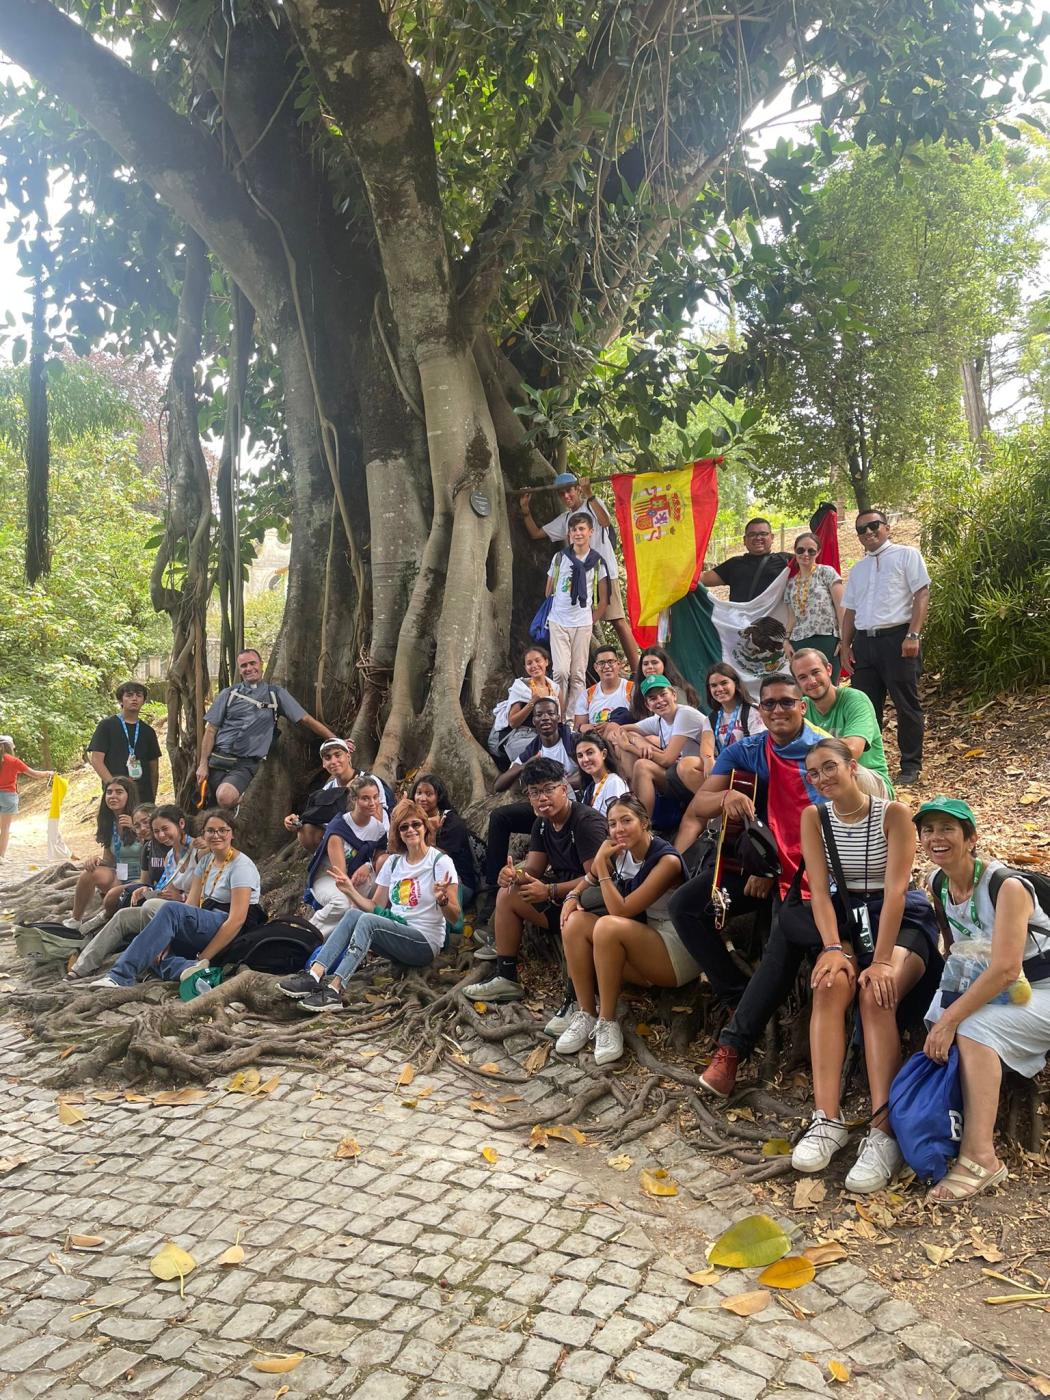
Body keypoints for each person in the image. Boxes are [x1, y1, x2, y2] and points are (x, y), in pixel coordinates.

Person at [778, 739, 939, 1192]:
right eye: (813, 773)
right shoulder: (815, 818)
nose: (823, 778)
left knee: (876, 994)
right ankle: (827, 1118)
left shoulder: (895, 814)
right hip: (850, 920)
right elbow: (818, 891)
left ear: (852, 767)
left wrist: (883, 960)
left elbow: (894, 892)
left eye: (830, 767)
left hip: (901, 922)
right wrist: (831, 947)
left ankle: (883, 1129)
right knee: (829, 986)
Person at [669, 674, 829, 1097]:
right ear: (759, 711)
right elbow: (700, 803)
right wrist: (725, 800)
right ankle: (734, 993)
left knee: (782, 944)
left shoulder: (821, 752)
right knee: (685, 906)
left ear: (803, 706)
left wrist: (772, 869)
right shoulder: (747, 751)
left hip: (805, 873)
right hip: (753, 862)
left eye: (787, 703)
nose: (778, 710)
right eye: (770, 704)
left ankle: (738, 1047)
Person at [917, 797, 1050, 1204]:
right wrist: (942, 1015)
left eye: (948, 829)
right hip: (1004, 993)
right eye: (928, 830)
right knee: (933, 1021)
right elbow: (959, 952)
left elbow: (1007, 968)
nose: (936, 838)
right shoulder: (939, 883)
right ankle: (926, 1129)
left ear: (971, 838)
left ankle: (981, 1158)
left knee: (971, 1029)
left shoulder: (1005, 886)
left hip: (1040, 990)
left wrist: (952, 1018)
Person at [464, 758, 607, 1035]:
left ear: (564, 789)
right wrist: (513, 875)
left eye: (548, 789)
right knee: (508, 894)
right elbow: (534, 868)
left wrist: (550, 891)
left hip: (589, 905)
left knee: (573, 913)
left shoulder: (585, 823)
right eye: (534, 792)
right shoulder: (542, 824)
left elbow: (597, 879)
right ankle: (506, 978)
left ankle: (575, 999)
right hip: (559, 897)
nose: (541, 798)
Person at [277, 799, 459, 1012]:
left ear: (425, 826)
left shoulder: (439, 862)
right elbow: (374, 906)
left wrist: (442, 899)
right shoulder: (393, 862)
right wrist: (350, 890)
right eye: (404, 827)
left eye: (416, 824)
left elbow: (455, 918)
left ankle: (335, 989)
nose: (411, 830)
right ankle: (314, 975)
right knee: (355, 915)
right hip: (396, 933)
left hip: (424, 943)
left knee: (367, 921)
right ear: (397, 832)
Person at [557, 796, 693, 1065]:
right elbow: (589, 880)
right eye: (612, 824)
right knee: (574, 923)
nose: (618, 829)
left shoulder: (667, 860)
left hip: (676, 949)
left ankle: (609, 1022)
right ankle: (586, 1013)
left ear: (644, 823)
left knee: (608, 925)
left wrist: (601, 865)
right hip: (645, 939)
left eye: (626, 821)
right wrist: (573, 896)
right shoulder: (623, 853)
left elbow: (621, 911)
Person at [94, 809, 264, 988]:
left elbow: (236, 921)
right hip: (205, 920)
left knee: (169, 910)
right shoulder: (207, 861)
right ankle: (188, 968)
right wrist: (167, 939)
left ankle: (120, 976)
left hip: (227, 924)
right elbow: (191, 906)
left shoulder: (241, 866)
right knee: (155, 952)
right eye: (210, 831)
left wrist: (203, 957)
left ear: (233, 834)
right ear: (203, 834)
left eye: (223, 830)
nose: (216, 835)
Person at [840, 511, 930, 785]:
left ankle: (910, 765)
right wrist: (845, 645)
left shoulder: (906, 555)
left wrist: (913, 633)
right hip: (864, 643)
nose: (868, 532)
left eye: (873, 525)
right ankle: (870, 766)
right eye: (861, 529)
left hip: (898, 639)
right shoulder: (858, 569)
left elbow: (922, 593)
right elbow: (851, 610)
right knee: (865, 708)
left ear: (886, 527)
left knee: (906, 704)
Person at [67, 805, 201, 981]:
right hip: (164, 909)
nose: (161, 835)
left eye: (165, 829)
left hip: (191, 913)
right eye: (157, 831)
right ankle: (80, 968)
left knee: (150, 906)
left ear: (181, 824)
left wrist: (181, 898)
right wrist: (149, 890)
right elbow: (168, 887)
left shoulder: (200, 849)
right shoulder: (169, 856)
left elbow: (208, 889)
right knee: (123, 916)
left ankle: (123, 973)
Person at [520, 471, 640, 667]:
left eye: (570, 491)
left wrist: (590, 493)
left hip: (604, 573)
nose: (567, 496)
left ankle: (638, 670)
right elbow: (536, 533)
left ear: (577, 489)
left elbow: (605, 522)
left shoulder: (592, 505)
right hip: (579, 581)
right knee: (577, 626)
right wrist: (525, 510)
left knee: (617, 620)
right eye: (561, 494)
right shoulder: (566, 520)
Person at [196, 648, 335, 808]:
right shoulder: (229, 694)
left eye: (252, 663)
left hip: (245, 763)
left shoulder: (275, 695)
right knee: (206, 805)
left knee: (224, 797)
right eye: (243, 666)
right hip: (218, 760)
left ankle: (242, 802)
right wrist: (202, 763)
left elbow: (306, 719)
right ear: (239, 670)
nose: (249, 668)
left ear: (261, 664)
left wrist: (336, 739)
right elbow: (211, 730)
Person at [789, 649, 893, 797]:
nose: (811, 681)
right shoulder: (801, 708)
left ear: (829, 669)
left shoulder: (854, 700)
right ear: (797, 683)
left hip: (869, 782)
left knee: (842, 770)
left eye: (815, 672)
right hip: (824, 781)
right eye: (803, 677)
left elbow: (852, 750)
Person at [303, 776, 389, 936]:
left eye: (375, 797)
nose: (372, 803)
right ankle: (309, 933)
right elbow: (340, 874)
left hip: (359, 875)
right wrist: (353, 896)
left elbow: (378, 859)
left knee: (374, 901)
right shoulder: (339, 828)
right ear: (355, 799)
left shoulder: (378, 829)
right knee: (343, 904)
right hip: (329, 876)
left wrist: (368, 866)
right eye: (365, 798)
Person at [544, 513, 610, 720]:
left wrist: (591, 619)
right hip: (559, 621)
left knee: (578, 675)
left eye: (582, 529)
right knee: (561, 672)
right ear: (569, 534)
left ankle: (572, 719)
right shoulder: (560, 558)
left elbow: (604, 597)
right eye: (574, 530)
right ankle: (559, 715)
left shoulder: (597, 562)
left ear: (591, 532)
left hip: (582, 623)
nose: (578, 533)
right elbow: (548, 590)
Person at [614, 675, 712, 812]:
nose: (659, 700)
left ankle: (642, 821)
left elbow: (667, 760)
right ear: (648, 705)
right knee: (635, 758)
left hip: (702, 775)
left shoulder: (685, 714)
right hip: (677, 776)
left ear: (674, 695)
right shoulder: (659, 720)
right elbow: (621, 730)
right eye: (653, 698)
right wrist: (639, 741)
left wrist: (629, 746)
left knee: (642, 765)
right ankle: (638, 814)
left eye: (663, 694)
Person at [86, 681, 161, 843]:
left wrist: (152, 798)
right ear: (121, 700)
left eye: (138, 695)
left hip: (143, 794)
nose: (134, 699)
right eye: (129, 695)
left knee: (144, 839)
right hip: (117, 795)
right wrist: (114, 786)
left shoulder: (148, 731)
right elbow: (96, 760)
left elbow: (153, 768)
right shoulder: (107, 726)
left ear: (143, 701)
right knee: (116, 837)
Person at [64, 777, 143, 929]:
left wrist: (136, 828)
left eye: (119, 792)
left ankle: (106, 918)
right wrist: (97, 860)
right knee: (88, 873)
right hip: (120, 874)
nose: (113, 796)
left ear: (129, 795)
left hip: (142, 876)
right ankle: (76, 920)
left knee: (112, 897)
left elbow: (154, 847)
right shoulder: (109, 822)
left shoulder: (140, 818)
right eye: (109, 792)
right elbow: (109, 859)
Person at [283, 737, 383, 854]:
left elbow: (378, 816)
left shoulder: (370, 781)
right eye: (328, 758)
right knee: (305, 831)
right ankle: (331, 861)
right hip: (342, 838)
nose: (334, 761)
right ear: (324, 764)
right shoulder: (328, 788)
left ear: (348, 756)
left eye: (338, 755)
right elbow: (317, 817)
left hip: (370, 839)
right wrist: (295, 822)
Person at [410, 773, 478, 907]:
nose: (422, 798)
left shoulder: (452, 823)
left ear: (438, 797)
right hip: (425, 879)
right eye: (419, 793)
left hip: (457, 884)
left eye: (428, 794)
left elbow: (440, 863)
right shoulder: (413, 820)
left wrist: (433, 834)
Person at [783, 532, 845, 679]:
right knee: (805, 687)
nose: (805, 554)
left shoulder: (826, 573)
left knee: (828, 684)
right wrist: (786, 641)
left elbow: (841, 607)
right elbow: (792, 618)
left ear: (818, 552)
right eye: (801, 550)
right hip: (799, 641)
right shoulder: (790, 583)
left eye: (811, 550)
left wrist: (844, 639)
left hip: (826, 639)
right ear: (795, 551)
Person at [488, 646, 561, 766]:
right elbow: (513, 722)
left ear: (546, 662)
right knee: (546, 755)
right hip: (521, 737)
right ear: (525, 667)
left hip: (546, 736)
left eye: (538, 661)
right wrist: (532, 703)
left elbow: (559, 720)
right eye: (529, 663)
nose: (534, 666)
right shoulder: (521, 687)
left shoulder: (554, 688)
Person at [494, 697, 579, 794]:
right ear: (534, 721)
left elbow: (591, 774)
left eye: (551, 714)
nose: (545, 718)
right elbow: (498, 786)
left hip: (576, 799)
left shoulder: (572, 740)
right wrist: (525, 766)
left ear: (558, 718)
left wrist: (549, 786)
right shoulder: (534, 748)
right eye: (539, 715)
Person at [698, 518, 790, 602]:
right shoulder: (734, 564)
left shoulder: (786, 560)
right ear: (745, 540)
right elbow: (702, 579)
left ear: (772, 537)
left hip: (774, 619)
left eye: (763, 534)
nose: (758, 538)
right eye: (752, 534)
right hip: (739, 618)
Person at [0, 735, 54, 863]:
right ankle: (1, 856)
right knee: (5, 829)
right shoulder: (14, 761)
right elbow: (34, 774)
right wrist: (48, 773)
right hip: (8, 796)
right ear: (10, 747)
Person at [704, 664, 765, 756]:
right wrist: (709, 761)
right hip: (724, 764)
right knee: (687, 764)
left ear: (736, 684)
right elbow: (706, 748)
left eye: (724, 683)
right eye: (714, 685)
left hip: (748, 763)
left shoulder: (753, 711)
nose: (719, 689)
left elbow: (758, 748)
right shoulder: (711, 719)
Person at [574, 647, 634, 734]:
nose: (606, 666)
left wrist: (612, 727)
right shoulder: (587, 695)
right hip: (596, 742)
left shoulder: (632, 689)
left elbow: (642, 723)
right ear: (595, 667)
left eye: (610, 662)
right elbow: (577, 729)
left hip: (624, 739)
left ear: (618, 664)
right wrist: (583, 727)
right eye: (601, 663)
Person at [575, 734, 630, 818]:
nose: (585, 759)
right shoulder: (589, 789)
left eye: (590, 753)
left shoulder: (614, 782)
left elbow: (617, 819)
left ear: (604, 754)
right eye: (580, 756)